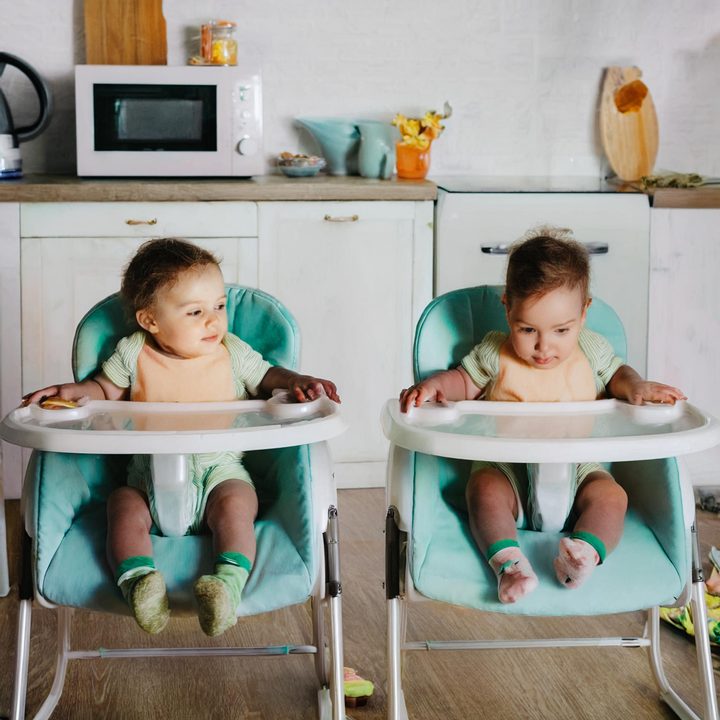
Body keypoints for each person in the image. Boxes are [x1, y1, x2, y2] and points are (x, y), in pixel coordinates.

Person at [24, 238, 341, 635]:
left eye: (220, 306)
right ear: (150, 321)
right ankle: (140, 583)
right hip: (145, 479)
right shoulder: (133, 352)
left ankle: (226, 585)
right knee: (122, 506)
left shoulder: (231, 351)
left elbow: (267, 377)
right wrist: (72, 394)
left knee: (238, 506)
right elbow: (103, 391)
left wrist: (298, 381)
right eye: (195, 312)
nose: (214, 321)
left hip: (219, 472)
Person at [399, 229, 685, 604]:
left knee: (612, 497)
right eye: (528, 329)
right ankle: (509, 565)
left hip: (580, 468)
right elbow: (462, 381)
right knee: (482, 491)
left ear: (584, 313)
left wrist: (637, 387)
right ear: (507, 309)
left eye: (561, 330)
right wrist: (435, 386)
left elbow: (619, 375)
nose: (543, 346)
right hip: (507, 467)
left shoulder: (593, 348)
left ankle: (583, 553)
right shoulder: (494, 352)